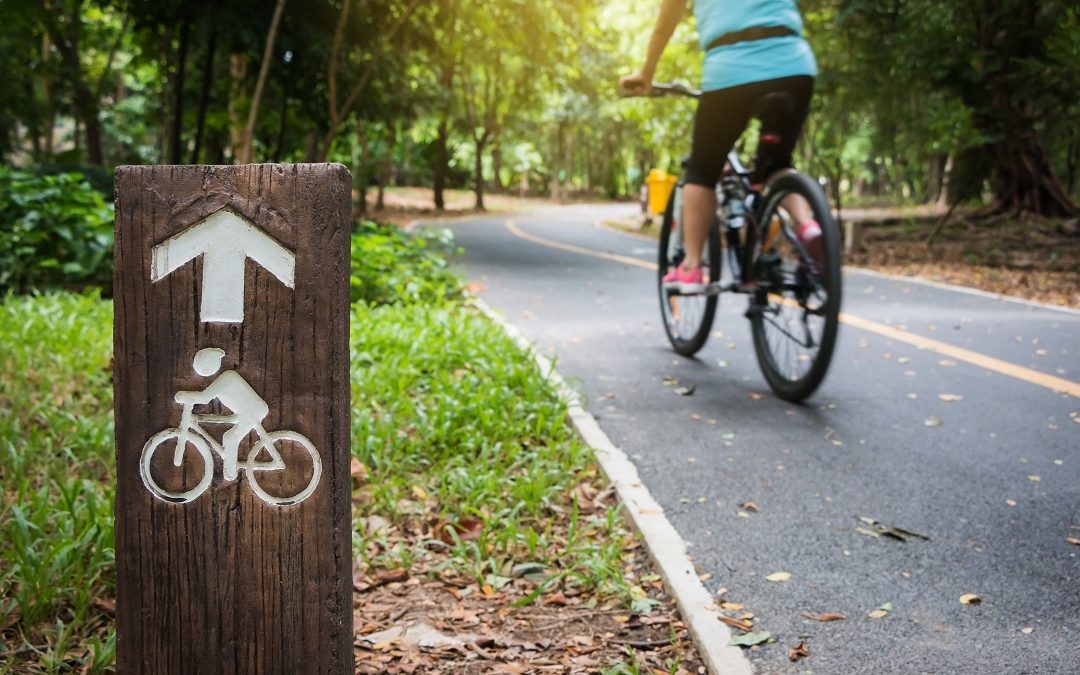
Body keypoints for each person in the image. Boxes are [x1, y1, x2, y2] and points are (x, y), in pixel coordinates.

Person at [620, 0, 822, 292]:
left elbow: (665, 22)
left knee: (702, 170)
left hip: (731, 70)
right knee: (777, 165)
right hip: (794, 64)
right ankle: (808, 225)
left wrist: (646, 74)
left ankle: (690, 266)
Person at [175, 348, 269, 481]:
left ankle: (230, 473)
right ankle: (230, 468)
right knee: (228, 436)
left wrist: (183, 396)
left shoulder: (227, 377)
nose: (205, 370)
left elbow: (205, 397)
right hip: (245, 412)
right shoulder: (222, 378)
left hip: (253, 411)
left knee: (230, 438)